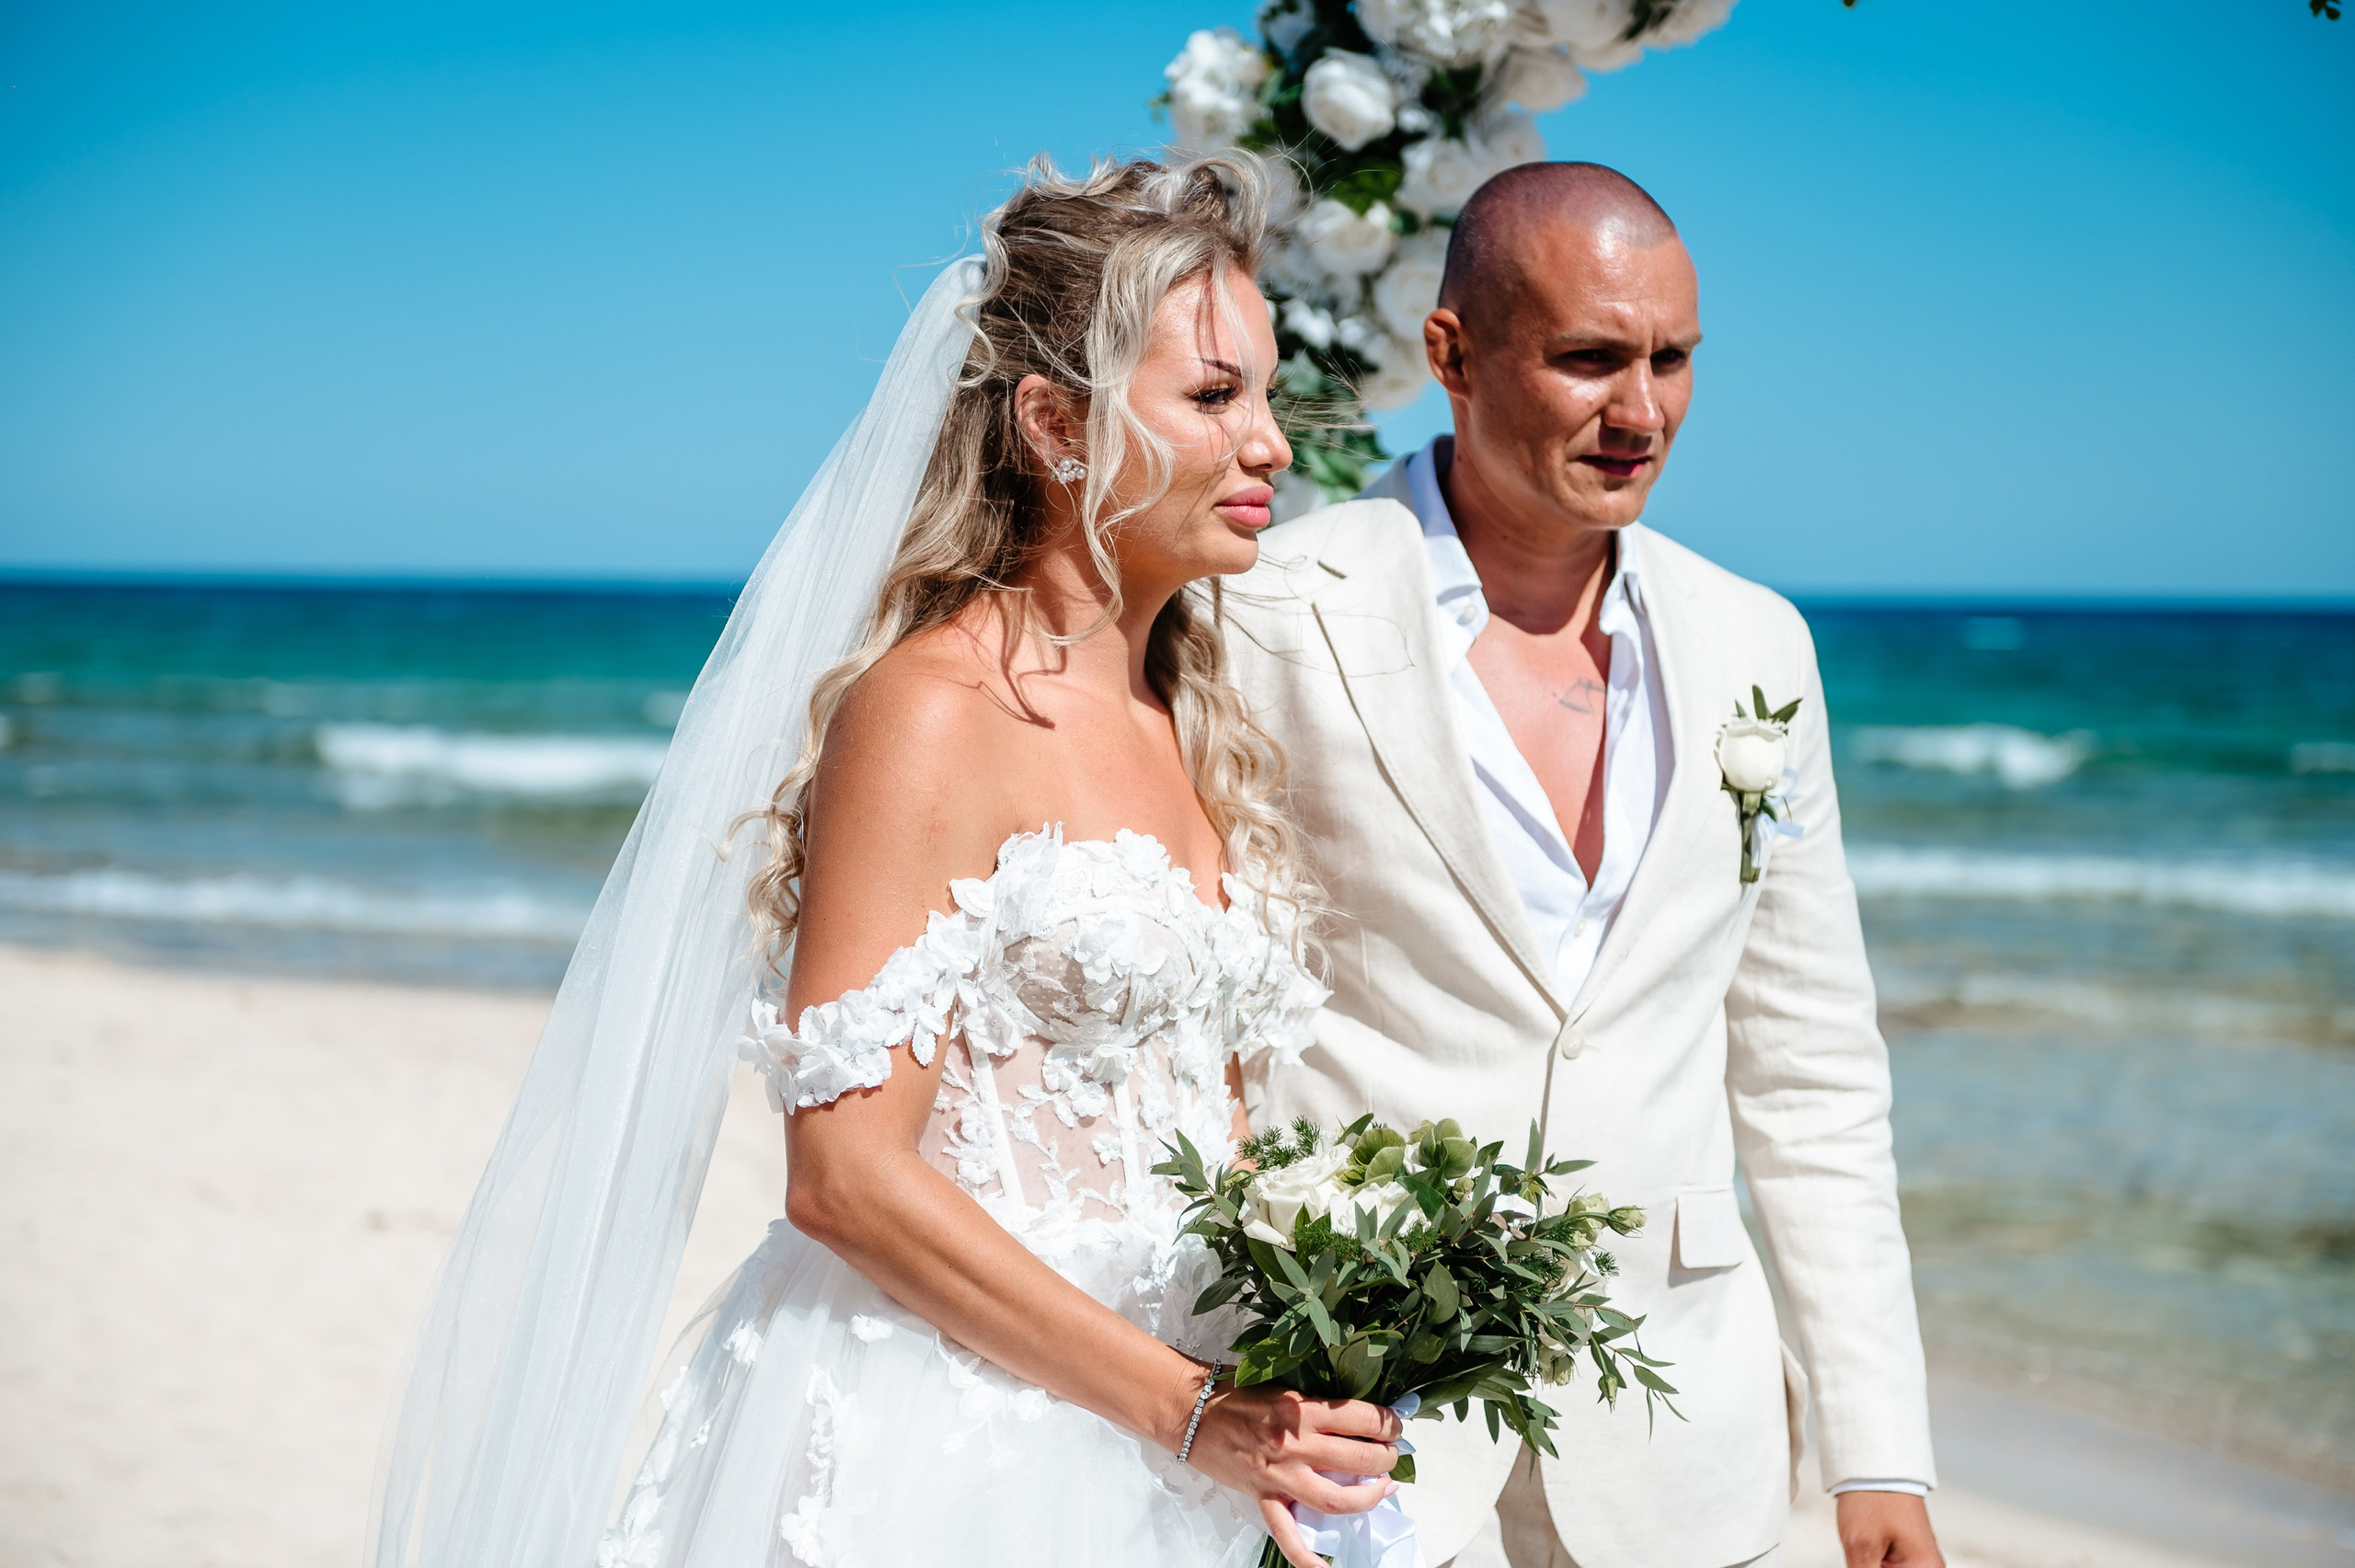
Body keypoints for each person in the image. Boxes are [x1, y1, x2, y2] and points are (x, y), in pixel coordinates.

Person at [370, 155, 1400, 1568]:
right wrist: (1188, 1410)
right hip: (950, 1432)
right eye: (1215, 396)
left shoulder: (1195, 720)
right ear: (1055, 422)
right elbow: (845, 1175)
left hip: (1186, 1450)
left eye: (1267, 394)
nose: (1273, 442)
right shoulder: (931, 711)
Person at [1222, 162, 1946, 1568]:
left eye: (1673, 359)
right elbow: (1203, 1030)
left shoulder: (1757, 648)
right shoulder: (1267, 616)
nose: (1643, 411)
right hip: (1365, 1432)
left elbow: (1810, 1072)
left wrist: (1880, 1453)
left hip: (1685, 1447)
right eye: (1591, 359)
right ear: (1453, 353)